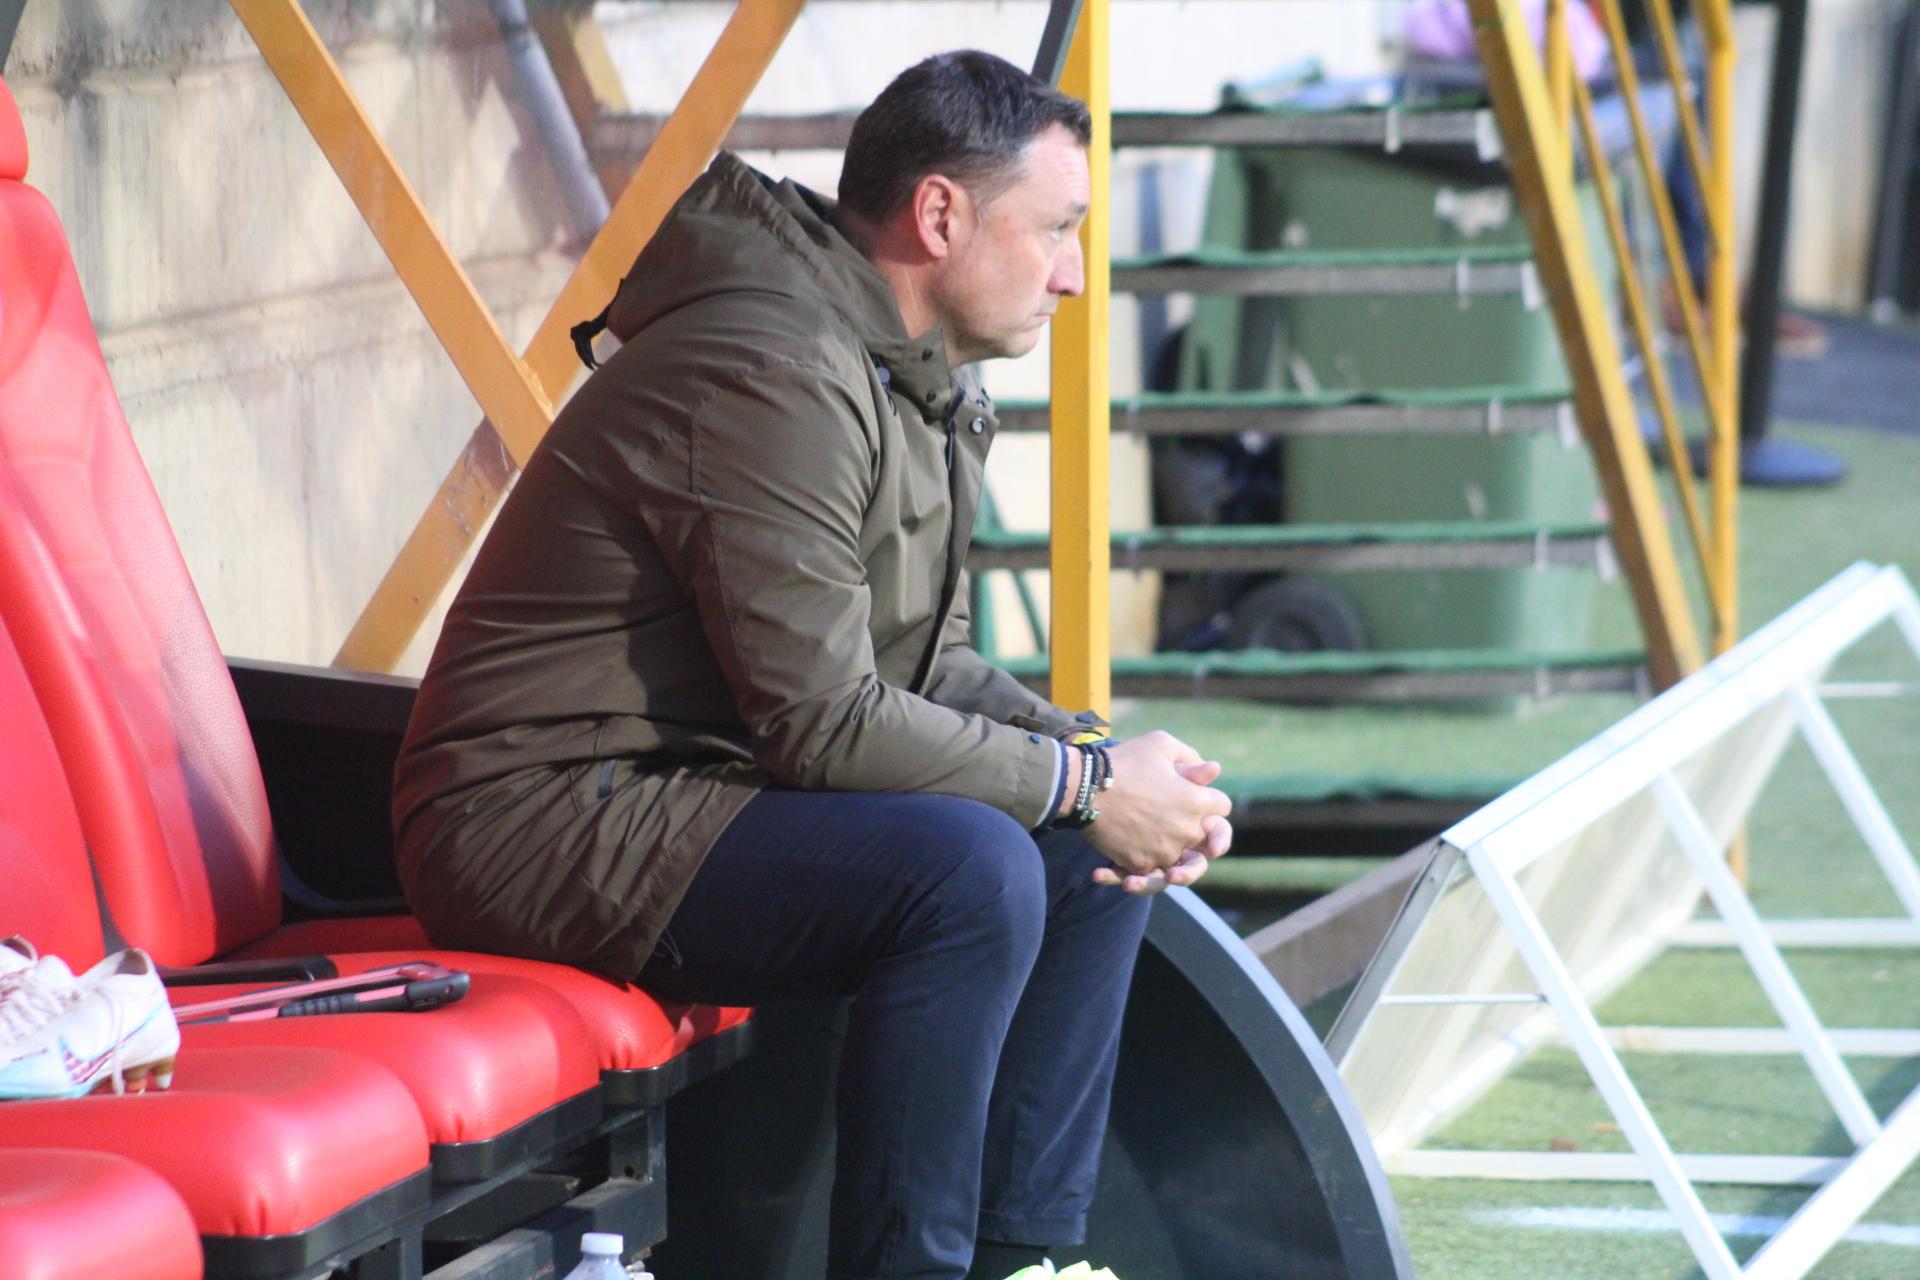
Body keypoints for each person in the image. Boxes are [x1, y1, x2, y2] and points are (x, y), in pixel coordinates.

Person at [391, 49, 1233, 1280]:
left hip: (680, 788)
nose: (1071, 272)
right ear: (941, 214)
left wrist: (1099, 771)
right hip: (532, 814)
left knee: (1077, 852)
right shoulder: (773, 366)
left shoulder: (909, 377)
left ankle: (1027, 1259)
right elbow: (825, 727)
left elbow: (927, 667)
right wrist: (1084, 782)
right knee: (976, 864)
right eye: (1057, 228)